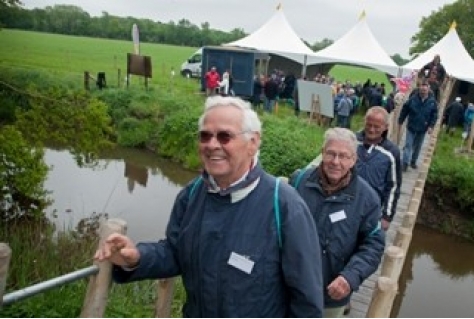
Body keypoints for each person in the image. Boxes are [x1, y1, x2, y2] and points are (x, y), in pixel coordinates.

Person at [94, 96, 324, 317]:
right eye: (205, 136)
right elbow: (175, 253)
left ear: (252, 143)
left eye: (224, 136)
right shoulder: (191, 195)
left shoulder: (285, 206)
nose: (212, 145)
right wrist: (137, 257)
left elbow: (306, 301)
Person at [289, 127, 385, 318]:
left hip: (330, 296)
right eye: (331, 154)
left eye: (343, 156)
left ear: (353, 160)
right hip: (290, 286)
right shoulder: (299, 181)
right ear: (322, 153)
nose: (335, 162)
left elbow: (373, 244)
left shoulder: (367, 199)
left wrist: (350, 277)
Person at [356, 106, 402, 231]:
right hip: (347, 204)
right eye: (369, 125)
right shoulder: (352, 142)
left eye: (376, 127)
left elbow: (393, 186)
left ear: (385, 127)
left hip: (372, 209)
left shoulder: (391, 152)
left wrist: (387, 216)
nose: (371, 130)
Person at [398, 81, 438, 172]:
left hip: (423, 127)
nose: (423, 92)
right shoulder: (413, 99)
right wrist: (401, 120)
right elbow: (405, 109)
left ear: (428, 90)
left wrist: (431, 126)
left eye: (425, 90)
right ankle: (405, 163)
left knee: (418, 146)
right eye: (422, 90)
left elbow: (434, 115)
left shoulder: (432, 102)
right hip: (411, 125)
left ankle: (413, 161)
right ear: (419, 89)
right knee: (408, 144)